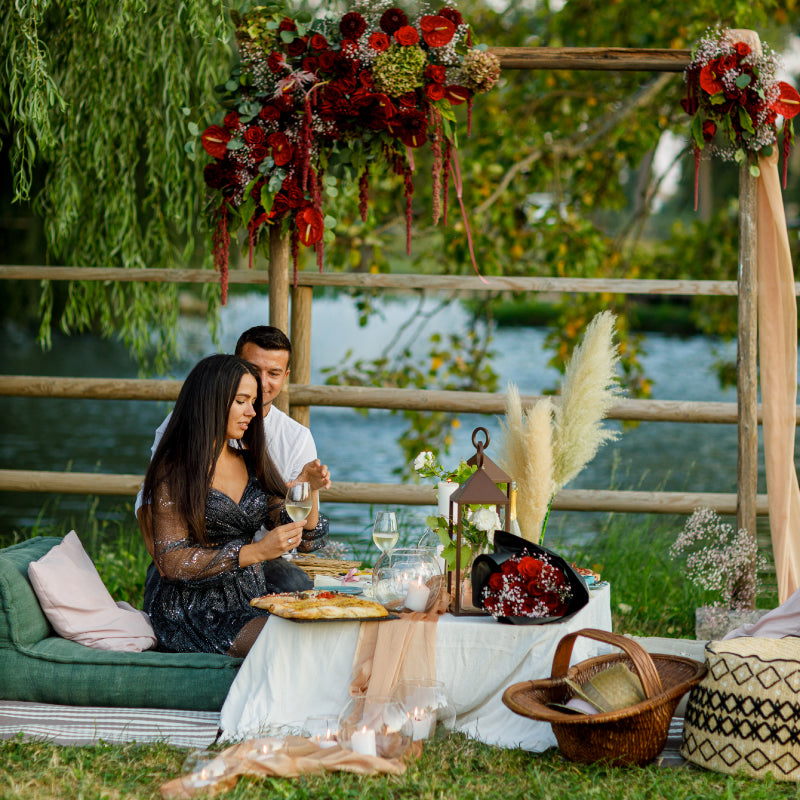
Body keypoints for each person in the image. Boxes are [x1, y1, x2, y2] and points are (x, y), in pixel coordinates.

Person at [140, 354, 331, 657]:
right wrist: (255, 552)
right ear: (212, 401)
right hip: (192, 612)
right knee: (287, 640)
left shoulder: (250, 460)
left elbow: (307, 539)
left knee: (322, 627)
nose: (253, 412)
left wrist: (309, 489)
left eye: (253, 402)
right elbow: (172, 561)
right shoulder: (174, 471)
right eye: (242, 401)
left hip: (249, 600)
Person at [135, 326, 316, 521]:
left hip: (274, 547)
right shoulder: (185, 422)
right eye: (253, 369)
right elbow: (152, 497)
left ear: (285, 376)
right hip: (199, 547)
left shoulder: (297, 438)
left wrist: (309, 488)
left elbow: (304, 523)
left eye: (273, 373)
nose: (261, 382)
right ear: (234, 366)